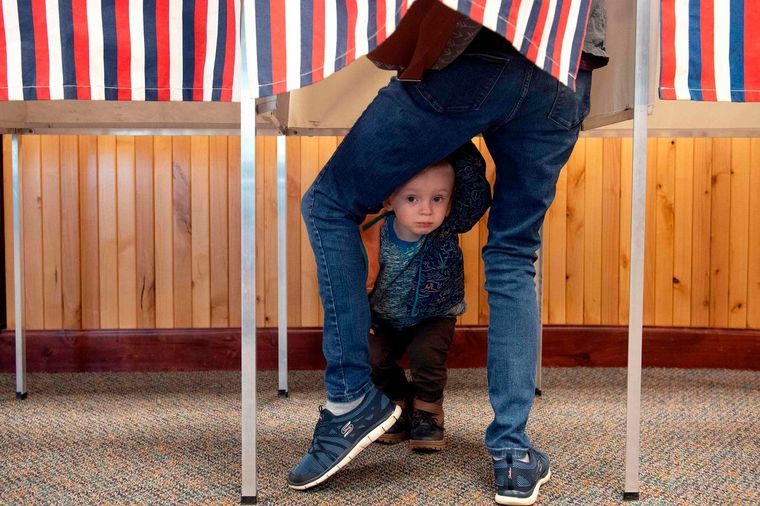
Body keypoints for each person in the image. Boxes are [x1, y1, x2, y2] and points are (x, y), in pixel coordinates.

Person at [289, 0, 607, 503]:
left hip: (480, 44)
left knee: (329, 204)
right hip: (565, 66)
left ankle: (351, 402)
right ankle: (513, 453)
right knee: (514, 254)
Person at [361, 142, 490, 451]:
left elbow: (475, 193)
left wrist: (455, 139)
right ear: (390, 200)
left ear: (450, 201)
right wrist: (359, 313)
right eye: (412, 198)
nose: (426, 210)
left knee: (427, 357)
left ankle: (428, 412)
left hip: (435, 315)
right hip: (383, 316)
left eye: (438, 199)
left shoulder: (447, 227)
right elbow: (353, 275)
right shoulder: (373, 231)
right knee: (373, 356)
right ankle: (397, 405)